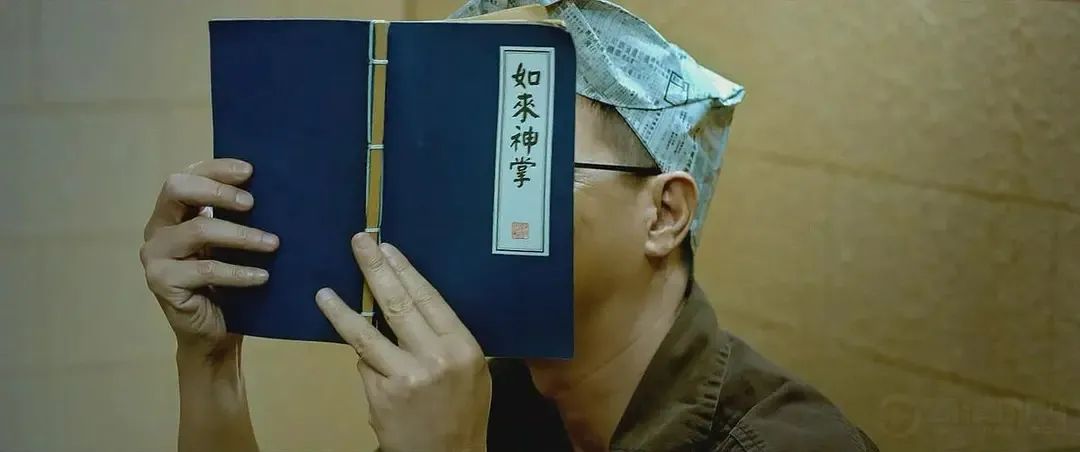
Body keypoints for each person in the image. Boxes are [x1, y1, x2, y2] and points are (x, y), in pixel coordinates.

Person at [139, 0, 878, 450]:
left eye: (519, 164)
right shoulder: (499, 400)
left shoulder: (786, 444)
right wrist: (210, 366)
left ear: (664, 214)